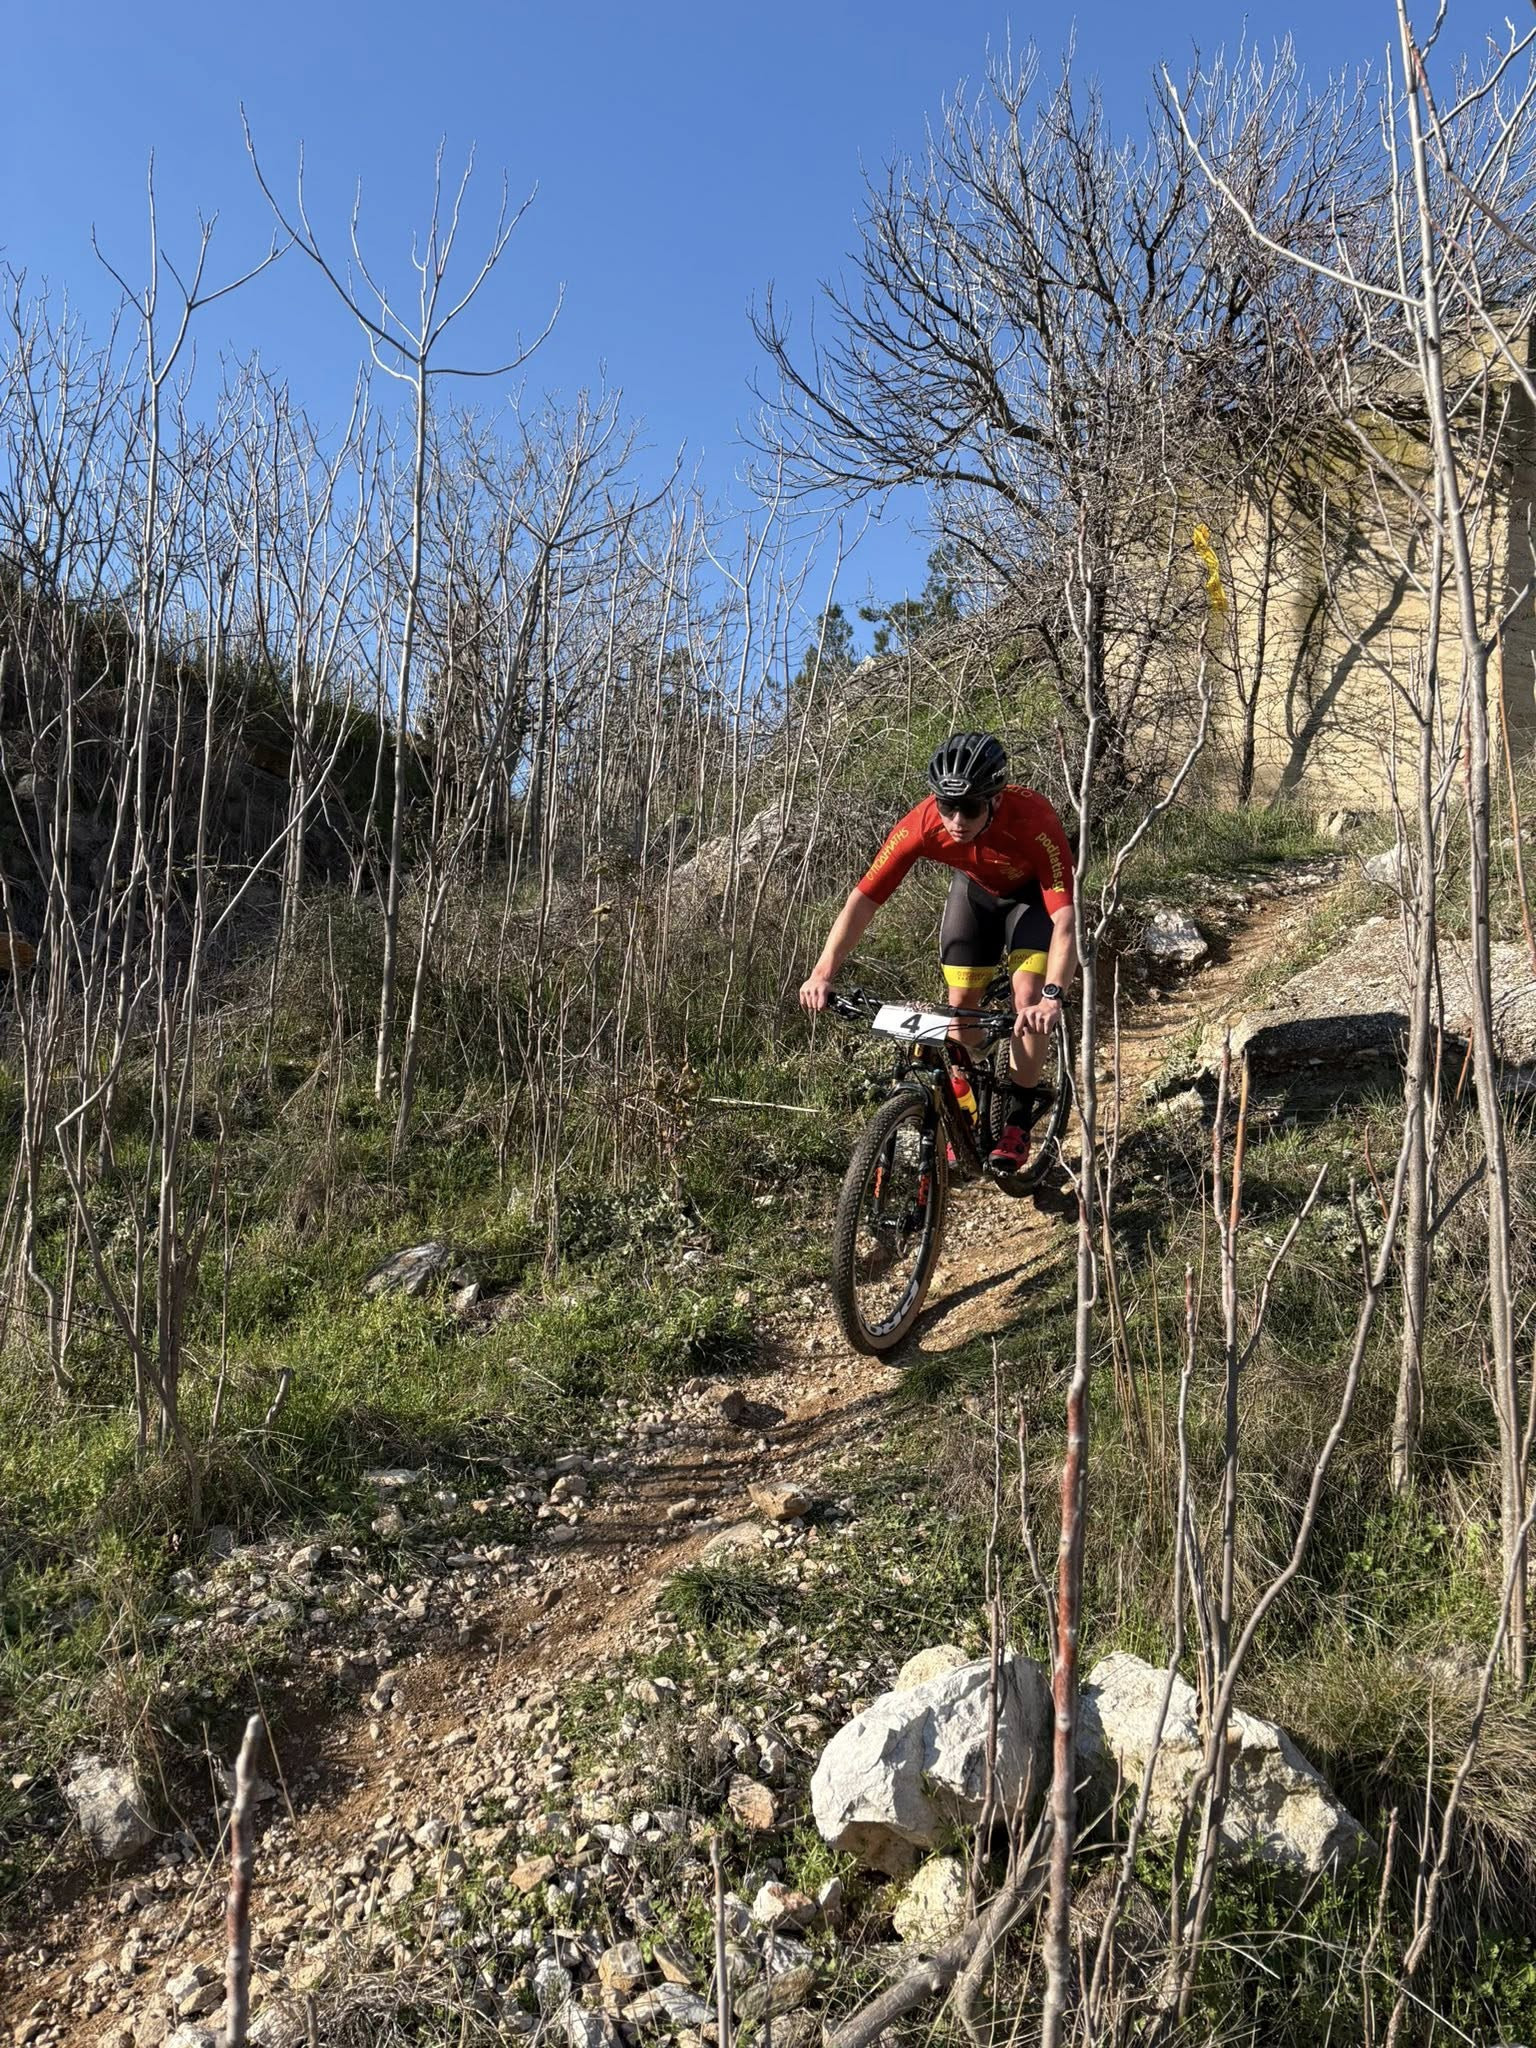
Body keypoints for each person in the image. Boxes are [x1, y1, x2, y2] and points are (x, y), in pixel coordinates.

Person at [799, 732, 1076, 1173]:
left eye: (970, 808)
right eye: (948, 807)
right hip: (975, 895)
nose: (957, 820)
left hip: (1032, 900)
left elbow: (1064, 920)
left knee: (1026, 1000)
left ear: (996, 800)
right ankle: (973, 1089)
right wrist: (823, 972)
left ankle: (1019, 1114)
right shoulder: (922, 823)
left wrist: (1052, 996)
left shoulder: (1033, 818)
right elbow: (865, 898)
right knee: (959, 1014)